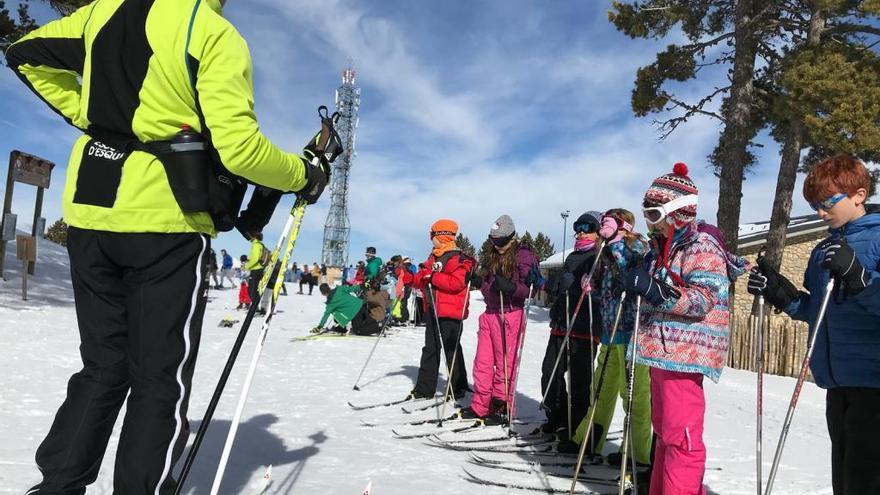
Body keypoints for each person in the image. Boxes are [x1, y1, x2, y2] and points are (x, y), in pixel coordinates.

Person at [6, 0, 332, 491]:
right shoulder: (210, 30)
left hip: (91, 216)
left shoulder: (99, 13)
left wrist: (98, 120)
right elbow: (240, 150)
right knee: (159, 378)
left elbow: (25, 52)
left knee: (103, 365)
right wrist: (304, 172)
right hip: (167, 222)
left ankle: (57, 485)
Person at [748, 154, 880, 495]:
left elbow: (865, 290)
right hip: (836, 381)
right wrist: (782, 293)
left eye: (827, 203)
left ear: (859, 195)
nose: (821, 212)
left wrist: (861, 278)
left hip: (875, 381)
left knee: (867, 478)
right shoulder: (822, 249)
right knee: (845, 478)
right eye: (815, 205)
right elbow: (816, 309)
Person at [622, 163, 745, 494]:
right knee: (665, 432)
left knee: (683, 437)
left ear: (677, 211)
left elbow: (705, 298)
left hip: (685, 354)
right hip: (661, 353)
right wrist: (639, 282)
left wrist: (655, 291)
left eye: (653, 213)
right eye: (646, 213)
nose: (649, 221)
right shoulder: (663, 249)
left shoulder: (702, 245)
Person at [565, 209, 652, 466]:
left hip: (633, 332)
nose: (603, 226)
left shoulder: (636, 245)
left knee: (634, 394)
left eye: (608, 222)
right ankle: (590, 439)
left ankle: (637, 452)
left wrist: (614, 243)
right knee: (601, 388)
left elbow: (632, 268)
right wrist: (591, 281)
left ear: (622, 225)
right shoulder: (604, 252)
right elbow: (606, 281)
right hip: (610, 332)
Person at [460, 215, 538, 424]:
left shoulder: (524, 256)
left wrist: (512, 288)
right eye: (494, 241)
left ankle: (501, 406)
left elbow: (530, 289)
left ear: (511, 237)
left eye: (501, 241)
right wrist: (479, 282)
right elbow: (489, 290)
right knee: (483, 363)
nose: (498, 246)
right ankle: (480, 405)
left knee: (506, 363)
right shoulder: (492, 256)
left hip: (511, 314)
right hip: (490, 314)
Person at [539, 211, 603, 439]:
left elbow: (603, 293)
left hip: (585, 328)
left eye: (587, 227)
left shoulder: (600, 256)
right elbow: (561, 289)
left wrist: (584, 290)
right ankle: (556, 417)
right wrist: (554, 287)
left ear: (598, 231)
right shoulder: (571, 257)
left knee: (579, 381)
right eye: (578, 226)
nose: (581, 232)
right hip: (561, 325)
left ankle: (575, 426)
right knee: (550, 373)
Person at [409, 219, 476, 400]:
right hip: (433, 309)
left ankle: (458, 387)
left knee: (451, 350)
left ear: (442, 236)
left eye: (433, 235)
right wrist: (409, 277)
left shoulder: (459, 259)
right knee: (430, 349)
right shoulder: (433, 257)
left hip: (451, 313)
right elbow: (422, 278)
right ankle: (424, 389)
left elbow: (457, 284)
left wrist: (434, 277)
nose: (431, 239)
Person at [312, 283, 379, 336]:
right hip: (361, 304)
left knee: (358, 330)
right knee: (363, 321)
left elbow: (325, 315)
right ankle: (377, 324)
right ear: (329, 288)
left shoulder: (330, 303)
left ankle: (378, 328)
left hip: (355, 312)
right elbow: (352, 289)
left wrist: (319, 327)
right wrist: (361, 286)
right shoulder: (339, 289)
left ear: (322, 293)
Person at [244, 233, 270, 316]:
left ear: (254, 236)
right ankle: (256, 307)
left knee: (252, 290)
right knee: (253, 290)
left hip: (256, 270)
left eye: (250, 236)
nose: (249, 238)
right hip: (259, 270)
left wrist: (246, 266)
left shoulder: (256, 245)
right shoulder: (260, 245)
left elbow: (255, 258)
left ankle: (255, 308)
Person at [394, 256, 415, 324]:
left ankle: (403, 318)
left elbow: (407, 278)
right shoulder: (406, 269)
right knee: (402, 302)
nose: (408, 265)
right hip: (405, 286)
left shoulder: (406, 269)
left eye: (408, 264)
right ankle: (403, 318)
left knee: (403, 302)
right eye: (407, 264)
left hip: (406, 287)